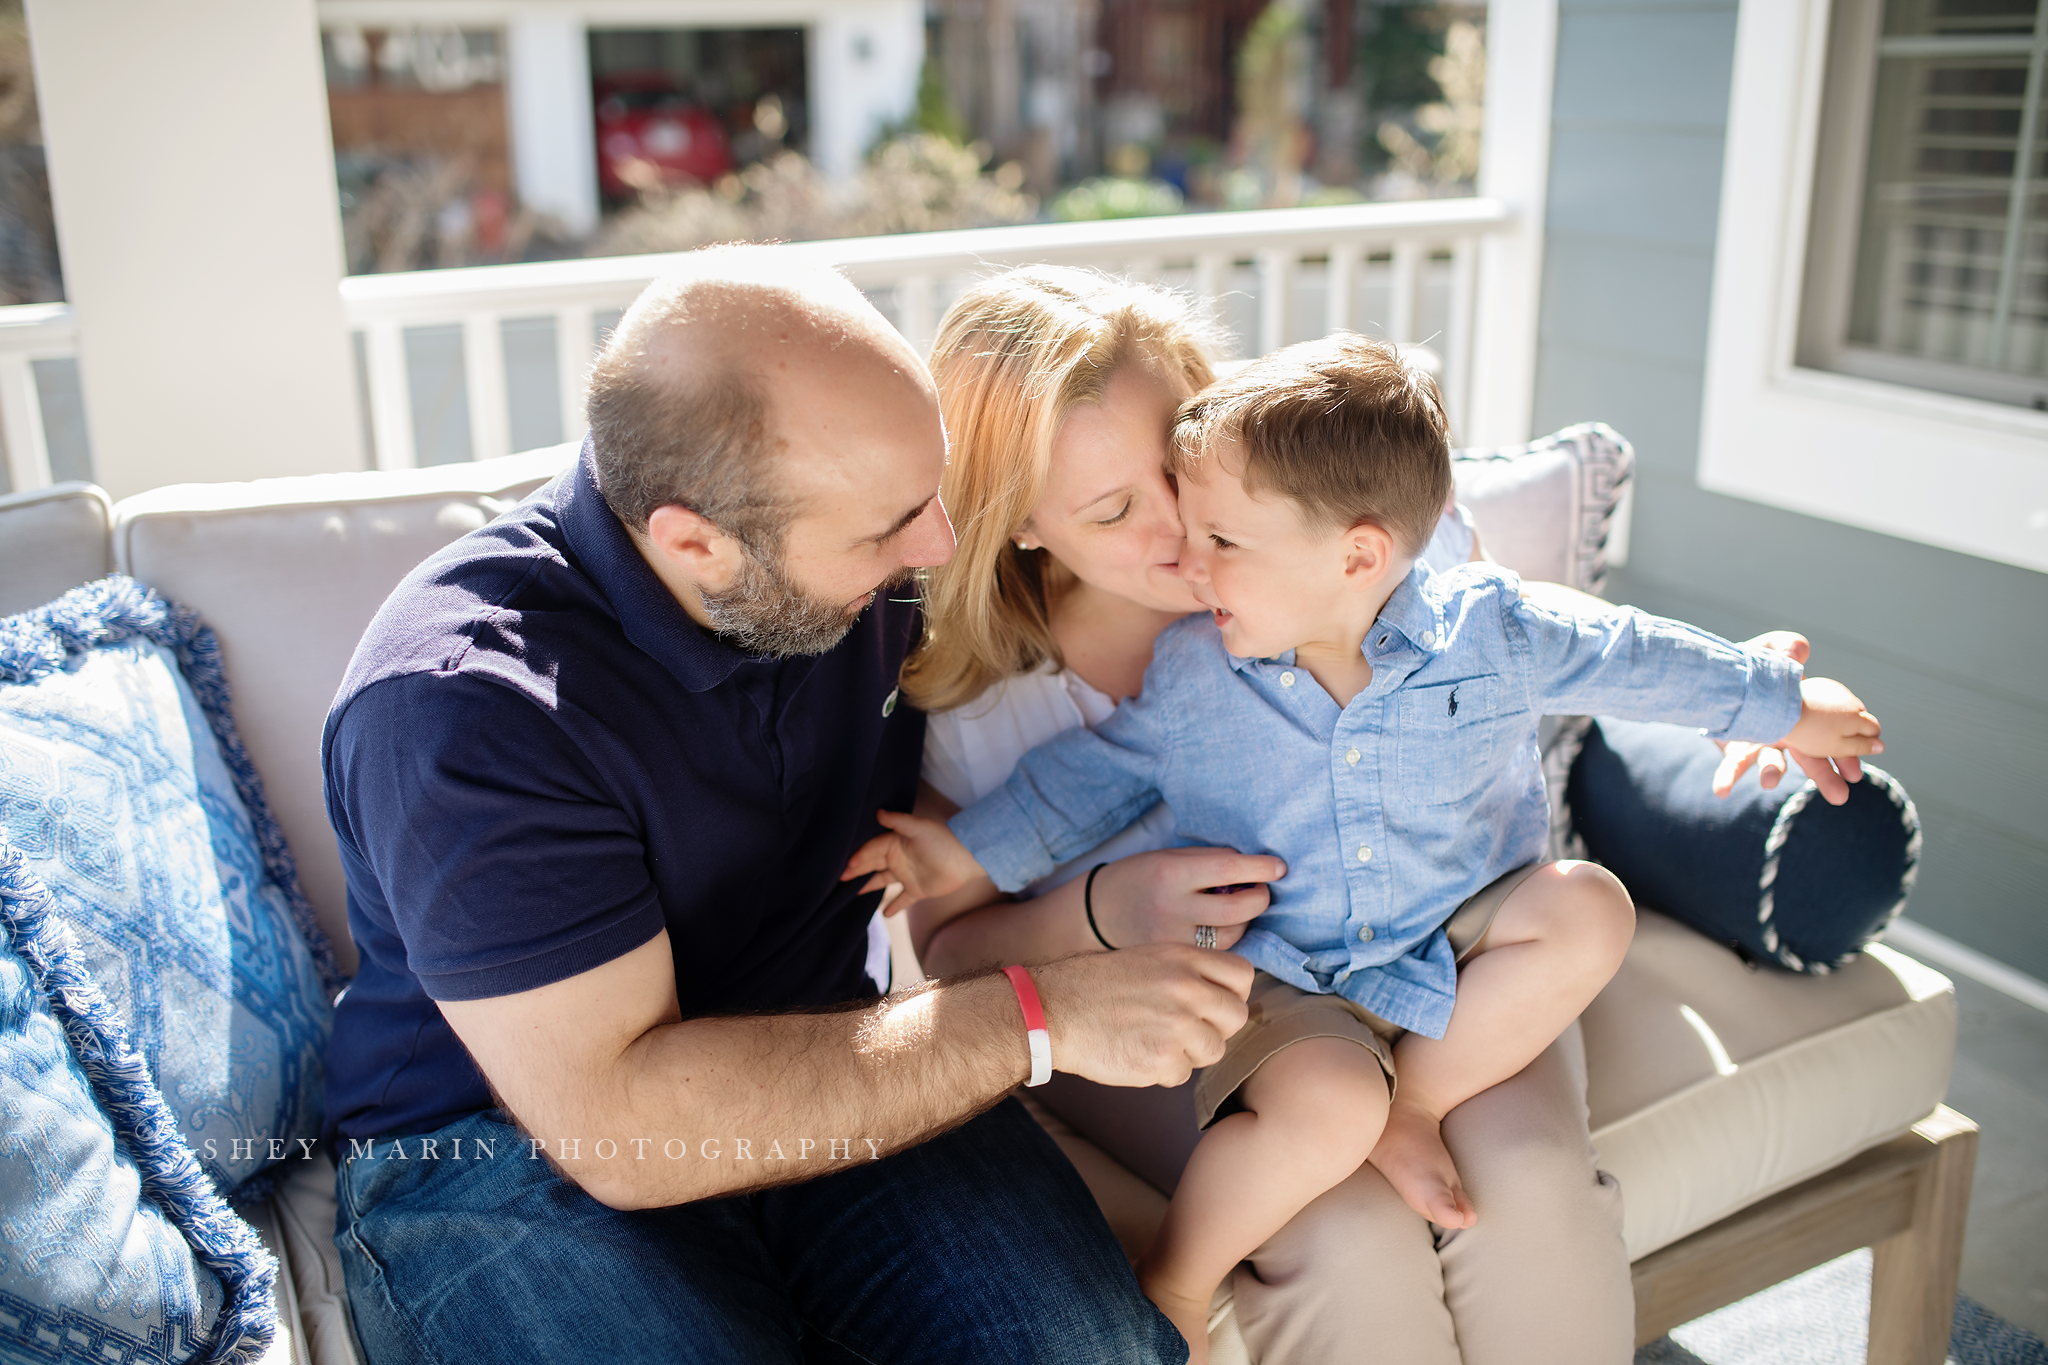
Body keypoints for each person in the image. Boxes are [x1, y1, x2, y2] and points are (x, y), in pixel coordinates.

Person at [869, 267, 1864, 1365]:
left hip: (1448, 937)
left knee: (1524, 1180)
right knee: (1343, 1230)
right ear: (1016, 525)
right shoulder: (989, 700)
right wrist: (1109, 903)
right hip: (1241, 999)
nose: (1178, 539)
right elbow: (951, 956)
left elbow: (1574, 644)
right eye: (1111, 510)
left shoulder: (1370, 538)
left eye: (1177, 474)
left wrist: (1747, 694)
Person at [318, 245, 1257, 1365]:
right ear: (694, 543)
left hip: (843, 1058)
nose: (936, 553)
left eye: (934, 492)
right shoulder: (464, 707)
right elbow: (617, 1128)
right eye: (887, 530)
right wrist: (1033, 1013)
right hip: (506, 1154)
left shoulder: (869, 552)